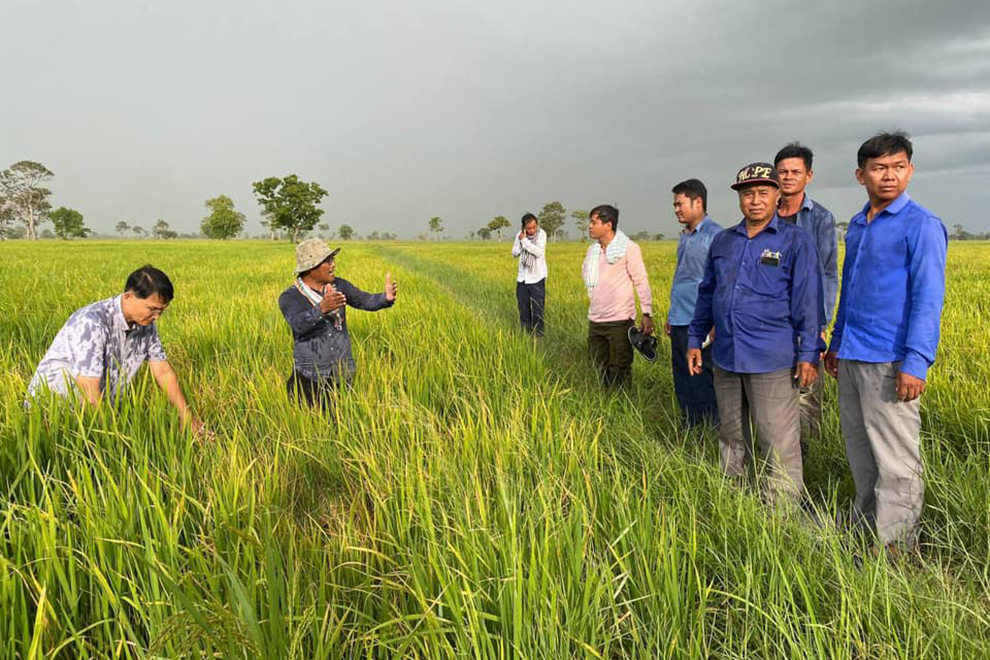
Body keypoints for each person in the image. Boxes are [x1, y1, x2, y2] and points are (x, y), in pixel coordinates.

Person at [824, 131, 947, 552]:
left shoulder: (922, 226)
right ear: (861, 175)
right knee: (861, 454)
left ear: (910, 170)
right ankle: (865, 532)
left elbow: (929, 300)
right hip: (853, 355)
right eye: (879, 168)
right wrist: (836, 342)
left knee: (896, 460)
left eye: (898, 167)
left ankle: (895, 548)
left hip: (891, 360)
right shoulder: (858, 225)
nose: (889, 176)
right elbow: (852, 290)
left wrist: (916, 361)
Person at [688, 163, 824, 504]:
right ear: (739, 199)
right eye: (748, 193)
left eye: (764, 192)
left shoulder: (795, 241)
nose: (755, 200)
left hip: (772, 358)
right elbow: (708, 293)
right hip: (727, 356)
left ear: (778, 195)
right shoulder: (724, 241)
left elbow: (808, 301)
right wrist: (695, 339)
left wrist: (809, 354)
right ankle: (734, 499)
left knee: (777, 440)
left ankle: (780, 513)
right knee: (732, 435)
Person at [27, 265, 208, 436]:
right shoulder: (92, 322)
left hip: (94, 409)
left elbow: (163, 371)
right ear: (128, 297)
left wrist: (187, 418)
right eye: (152, 309)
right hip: (53, 410)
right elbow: (88, 389)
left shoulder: (146, 324)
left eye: (162, 311)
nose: (157, 317)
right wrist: (109, 438)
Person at [774, 142, 839, 456]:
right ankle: (774, 459)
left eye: (795, 172)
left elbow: (828, 273)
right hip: (770, 322)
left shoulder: (820, 219)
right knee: (772, 392)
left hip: (806, 322)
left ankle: (807, 464)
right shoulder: (764, 214)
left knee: (806, 394)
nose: (788, 177)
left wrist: (820, 324)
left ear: (808, 176)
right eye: (783, 171)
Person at [278, 238, 397, 409]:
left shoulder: (338, 286)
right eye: (327, 261)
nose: (333, 265)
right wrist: (321, 309)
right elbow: (298, 325)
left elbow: (365, 300)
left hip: (342, 371)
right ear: (311, 268)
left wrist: (384, 298)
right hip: (311, 377)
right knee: (311, 424)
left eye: (332, 259)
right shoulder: (290, 297)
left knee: (342, 419)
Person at [665, 179, 722, 426]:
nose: (676, 209)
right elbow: (682, 278)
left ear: (697, 202)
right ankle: (689, 426)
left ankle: (711, 430)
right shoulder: (686, 236)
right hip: (680, 318)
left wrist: (715, 322)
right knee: (682, 378)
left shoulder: (715, 236)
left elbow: (721, 283)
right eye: (675, 205)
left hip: (700, 323)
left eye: (680, 204)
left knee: (702, 379)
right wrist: (671, 314)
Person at [582, 204, 653, 388]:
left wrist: (647, 313)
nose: (589, 226)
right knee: (599, 366)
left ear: (608, 224)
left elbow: (641, 280)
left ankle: (623, 406)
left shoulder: (629, 248)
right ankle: (603, 405)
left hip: (620, 321)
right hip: (596, 320)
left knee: (620, 367)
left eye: (594, 222)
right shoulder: (592, 251)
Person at [511, 212, 547, 336]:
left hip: (537, 277)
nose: (532, 230)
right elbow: (514, 253)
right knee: (523, 308)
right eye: (529, 228)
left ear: (537, 225)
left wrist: (525, 241)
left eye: (534, 227)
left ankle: (538, 334)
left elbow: (538, 252)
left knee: (538, 308)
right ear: (524, 227)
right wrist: (522, 242)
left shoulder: (542, 235)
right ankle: (526, 333)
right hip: (522, 278)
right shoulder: (519, 235)